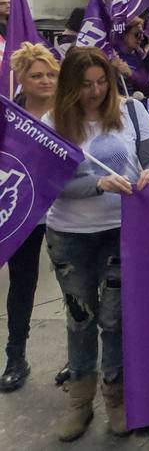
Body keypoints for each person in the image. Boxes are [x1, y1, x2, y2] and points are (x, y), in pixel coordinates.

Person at [44, 47, 149, 441]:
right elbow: (52, 186)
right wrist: (97, 184)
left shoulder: (132, 112)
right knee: (81, 319)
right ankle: (79, 403)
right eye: (86, 85)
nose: (96, 91)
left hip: (122, 229)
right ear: (69, 87)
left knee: (115, 320)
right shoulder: (52, 123)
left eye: (102, 82)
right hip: (69, 235)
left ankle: (117, 399)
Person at [1, 43, 59, 393]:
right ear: (20, 78)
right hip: (24, 212)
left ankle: (77, 360)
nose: (45, 80)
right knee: (22, 284)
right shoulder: (9, 114)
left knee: (74, 288)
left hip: (65, 213)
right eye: (36, 75)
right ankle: (15, 356)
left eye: (51, 73)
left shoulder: (70, 111)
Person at [110, 17, 149, 96]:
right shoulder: (111, 55)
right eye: (137, 34)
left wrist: (130, 73)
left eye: (143, 34)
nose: (141, 38)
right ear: (124, 34)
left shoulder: (141, 55)